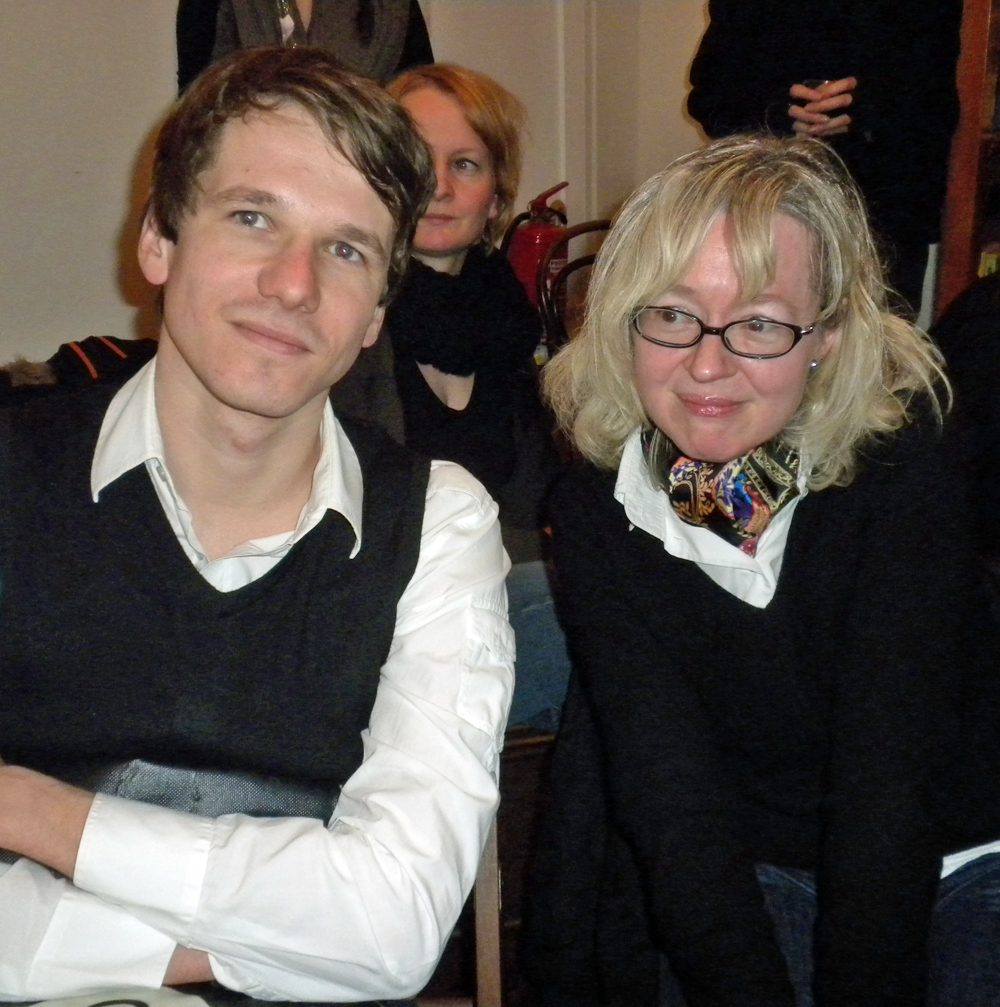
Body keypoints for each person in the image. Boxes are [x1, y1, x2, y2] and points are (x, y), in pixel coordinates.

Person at [0, 46, 514, 1006]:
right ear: (159, 240)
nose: (293, 284)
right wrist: (235, 944)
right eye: (253, 218)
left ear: (377, 313)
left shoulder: (437, 524)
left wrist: (36, 814)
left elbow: (396, 927)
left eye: (347, 249)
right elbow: (355, 933)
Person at [522, 134, 1000, 1006]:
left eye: (760, 323)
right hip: (758, 858)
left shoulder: (907, 465)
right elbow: (672, 797)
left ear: (830, 335)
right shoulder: (598, 507)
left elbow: (888, 790)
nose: (708, 364)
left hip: (959, 850)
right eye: (673, 314)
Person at [335, 63, 566, 729]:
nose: (438, 186)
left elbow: (534, 517)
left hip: (488, 612)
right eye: (416, 160)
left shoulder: (514, 332)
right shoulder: (334, 318)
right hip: (369, 631)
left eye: (465, 165)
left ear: (496, 200)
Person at [686, 0, 962, 317]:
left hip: (883, 214)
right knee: (760, 328)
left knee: (876, 337)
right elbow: (709, 97)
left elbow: (940, 106)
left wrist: (868, 107)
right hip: (769, 202)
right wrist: (779, 112)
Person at [176, 0, 434, 90]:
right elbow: (192, 114)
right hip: (252, 175)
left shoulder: (392, 7)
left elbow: (420, 101)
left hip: (367, 179)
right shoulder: (211, 4)